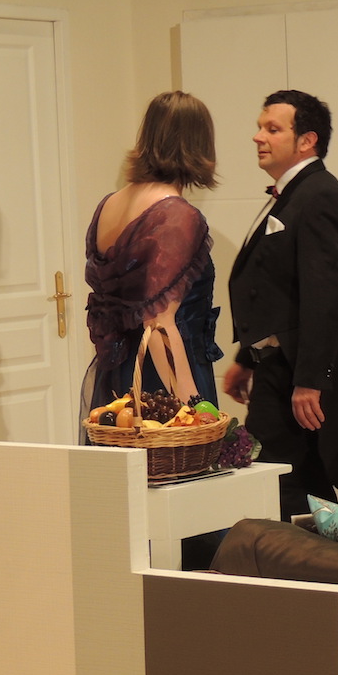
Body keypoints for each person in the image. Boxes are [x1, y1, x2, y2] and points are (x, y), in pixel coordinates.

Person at [223, 90, 338, 521]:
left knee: (280, 482)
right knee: (295, 482)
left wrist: (310, 381)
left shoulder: (319, 196)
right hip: (278, 368)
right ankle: (313, 558)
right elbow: (278, 291)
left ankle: (299, 561)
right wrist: (247, 357)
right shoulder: (295, 193)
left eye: (272, 129)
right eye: (260, 127)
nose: (258, 137)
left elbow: (325, 297)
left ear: (306, 140)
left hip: (298, 374)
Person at [82, 90, 222, 428]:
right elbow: (159, 323)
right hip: (164, 378)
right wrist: (192, 407)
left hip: (120, 371)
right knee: (175, 457)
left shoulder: (110, 204)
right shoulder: (176, 214)